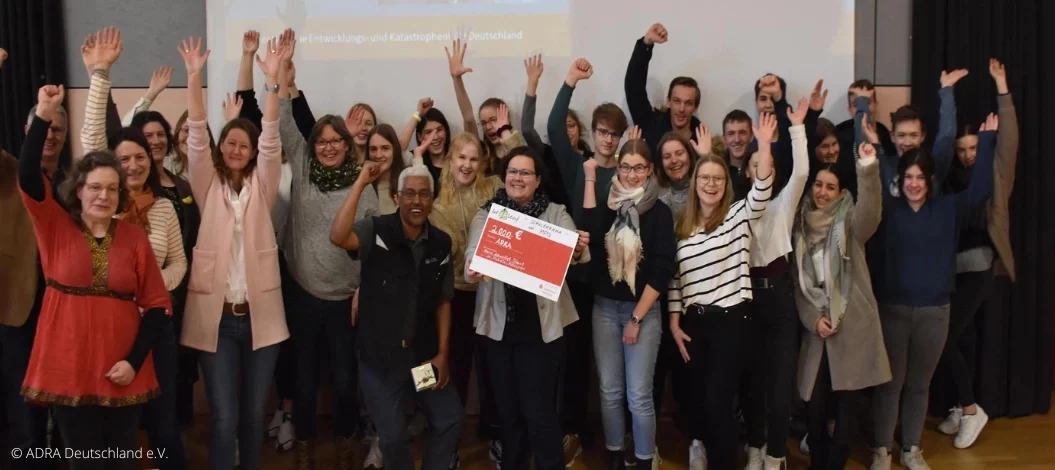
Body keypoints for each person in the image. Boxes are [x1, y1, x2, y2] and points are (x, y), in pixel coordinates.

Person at [19, 82, 171, 470]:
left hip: (123, 369)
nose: (104, 195)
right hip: (68, 365)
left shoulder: (134, 237)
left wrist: (133, 362)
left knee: (122, 461)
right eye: (96, 187)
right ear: (79, 190)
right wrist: (43, 114)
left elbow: (157, 306)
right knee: (84, 461)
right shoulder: (55, 225)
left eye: (112, 189)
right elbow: (27, 174)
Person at [179, 36, 290, 470]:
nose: (237, 150)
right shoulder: (206, 184)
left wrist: (272, 83)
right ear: (221, 147)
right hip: (218, 318)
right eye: (230, 143)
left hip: (261, 315)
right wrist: (194, 77)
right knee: (224, 418)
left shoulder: (264, 185)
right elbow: (195, 134)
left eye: (244, 145)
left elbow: (271, 137)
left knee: (252, 416)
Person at [868, 108, 997, 470]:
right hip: (893, 309)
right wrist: (871, 144)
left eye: (920, 177)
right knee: (889, 386)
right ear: (901, 179)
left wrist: (987, 141)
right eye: (908, 176)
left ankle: (911, 448)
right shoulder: (888, 209)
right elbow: (876, 173)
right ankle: (881, 450)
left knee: (919, 385)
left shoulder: (947, 208)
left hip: (935, 312)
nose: (913, 183)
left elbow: (981, 189)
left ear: (930, 180)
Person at [81, 47, 191, 467]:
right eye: (123, 158)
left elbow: (179, 261)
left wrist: (154, 289)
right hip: (109, 326)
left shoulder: (163, 207)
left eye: (140, 157)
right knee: (114, 423)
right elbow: (92, 138)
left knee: (163, 423)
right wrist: (100, 74)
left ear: (151, 160)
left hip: (155, 325)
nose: (133, 164)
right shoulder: (103, 208)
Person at [276, 43, 379, 469]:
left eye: (337, 140)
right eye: (322, 140)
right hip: (302, 295)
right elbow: (284, 122)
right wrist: (282, 78)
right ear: (313, 144)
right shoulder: (302, 167)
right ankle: (304, 449)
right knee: (303, 381)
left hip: (344, 302)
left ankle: (343, 448)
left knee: (342, 381)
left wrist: (361, 290)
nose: (329, 147)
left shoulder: (364, 187)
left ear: (347, 144)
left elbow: (371, 249)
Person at [330, 162, 464, 470]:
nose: (417, 201)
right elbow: (338, 235)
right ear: (397, 197)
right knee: (391, 438)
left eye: (424, 194)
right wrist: (361, 181)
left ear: (432, 199)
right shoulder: (376, 229)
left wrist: (442, 354)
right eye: (409, 194)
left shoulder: (441, 242)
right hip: (381, 363)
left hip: (422, 361)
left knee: (450, 418)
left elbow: (444, 301)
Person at [464, 146, 589, 469]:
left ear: (537, 180)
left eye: (525, 173)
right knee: (508, 414)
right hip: (499, 330)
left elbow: (574, 254)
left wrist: (576, 248)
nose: (517, 178)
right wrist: (474, 267)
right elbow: (472, 254)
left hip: (542, 332)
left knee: (541, 414)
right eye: (512, 172)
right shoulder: (487, 214)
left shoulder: (556, 213)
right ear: (503, 176)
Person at [668, 114, 777, 470]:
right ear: (694, 182)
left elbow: (762, 189)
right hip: (693, 325)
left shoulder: (737, 216)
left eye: (717, 178)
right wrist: (674, 323)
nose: (711, 184)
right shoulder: (682, 227)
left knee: (718, 403)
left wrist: (764, 145)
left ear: (726, 184)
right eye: (705, 177)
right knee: (698, 400)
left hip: (732, 322)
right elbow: (675, 281)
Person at [547, 57, 630, 462]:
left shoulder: (629, 173)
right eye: (602, 132)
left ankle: (624, 435)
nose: (608, 139)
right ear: (593, 133)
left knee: (620, 366)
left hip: (617, 280)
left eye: (615, 134)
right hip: (579, 279)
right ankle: (575, 430)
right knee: (577, 360)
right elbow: (553, 128)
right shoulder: (578, 166)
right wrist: (569, 82)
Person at [935, 58, 1018, 450]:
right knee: (961, 340)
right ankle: (960, 403)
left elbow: (1010, 141)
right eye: (963, 149)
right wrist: (945, 93)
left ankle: (971, 409)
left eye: (974, 147)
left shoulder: (995, 173)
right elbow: (942, 144)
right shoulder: (948, 178)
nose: (969, 154)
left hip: (980, 264)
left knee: (947, 338)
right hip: (949, 269)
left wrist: (1002, 87)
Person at [792, 142, 891, 470]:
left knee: (848, 410)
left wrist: (868, 166)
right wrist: (812, 320)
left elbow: (872, 211)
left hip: (852, 328)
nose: (822, 192)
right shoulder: (799, 226)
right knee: (815, 407)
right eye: (818, 185)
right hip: (817, 332)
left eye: (830, 187)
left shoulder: (850, 221)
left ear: (841, 193)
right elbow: (797, 286)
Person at [580, 138, 676, 469]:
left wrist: (636, 318)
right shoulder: (608, 205)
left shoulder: (659, 212)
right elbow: (589, 233)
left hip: (643, 313)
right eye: (625, 167)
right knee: (609, 391)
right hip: (605, 309)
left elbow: (662, 270)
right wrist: (590, 179)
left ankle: (645, 459)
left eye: (638, 168)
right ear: (617, 169)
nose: (631, 175)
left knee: (638, 394)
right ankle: (615, 454)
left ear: (650, 170)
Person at [0, 51, 66, 470]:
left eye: (58, 129)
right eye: (44, 126)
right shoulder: (9, 171)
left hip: (64, 311)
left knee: (63, 410)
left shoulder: (77, 181)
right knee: (23, 414)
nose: (51, 135)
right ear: (29, 129)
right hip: (19, 309)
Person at [741, 98, 813, 470]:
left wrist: (797, 127)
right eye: (755, 164)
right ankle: (755, 446)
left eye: (766, 162)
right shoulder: (736, 209)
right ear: (747, 172)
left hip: (780, 300)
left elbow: (802, 172)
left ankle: (776, 453)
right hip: (747, 302)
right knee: (753, 382)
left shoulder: (784, 203)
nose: (761, 168)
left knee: (781, 384)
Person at [425, 131, 503, 467]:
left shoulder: (495, 188)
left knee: (494, 370)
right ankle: (448, 443)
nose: (467, 165)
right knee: (453, 370)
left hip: (492, 294)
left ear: (482, 162)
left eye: (474, 159)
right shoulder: (436, 201)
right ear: (450, 160)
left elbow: (526, 168)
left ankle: (497, 435)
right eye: (462, 157)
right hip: (453, 296)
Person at [624, 23, 702, 160]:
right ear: (668, 101)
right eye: (677, 101)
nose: (681, 109)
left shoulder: (701, 139)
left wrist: (705, 155)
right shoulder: (651, 124)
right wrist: (646, 43)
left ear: (695, 107)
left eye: (688, 103)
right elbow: (633, 87)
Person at [445, 38, 527, 168]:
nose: (488, 127)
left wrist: (505, 132)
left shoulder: (519, 149)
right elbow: (468, 118)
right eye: (483, 123)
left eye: (493, 120)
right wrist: (456, 79)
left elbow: (521, 162)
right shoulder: (481, 151)